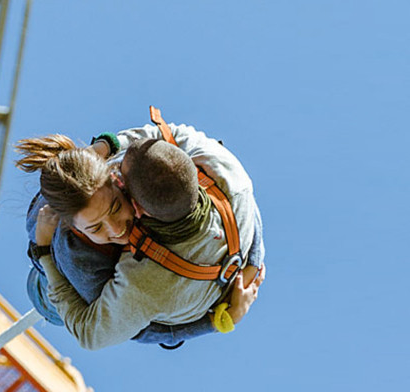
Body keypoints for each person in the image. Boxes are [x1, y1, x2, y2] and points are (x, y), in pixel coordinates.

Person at [18, 111, 265, 350]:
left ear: (138, 206)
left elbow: (102, 331)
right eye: (98, 225)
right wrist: (103, 147)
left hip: (85, 287)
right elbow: (163, 132)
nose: (116, 229)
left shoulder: (142, 284)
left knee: (54, 280)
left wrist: (43, 253)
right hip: (86, 266)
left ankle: (44, 275)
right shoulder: (226, 169)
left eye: (118, 207)